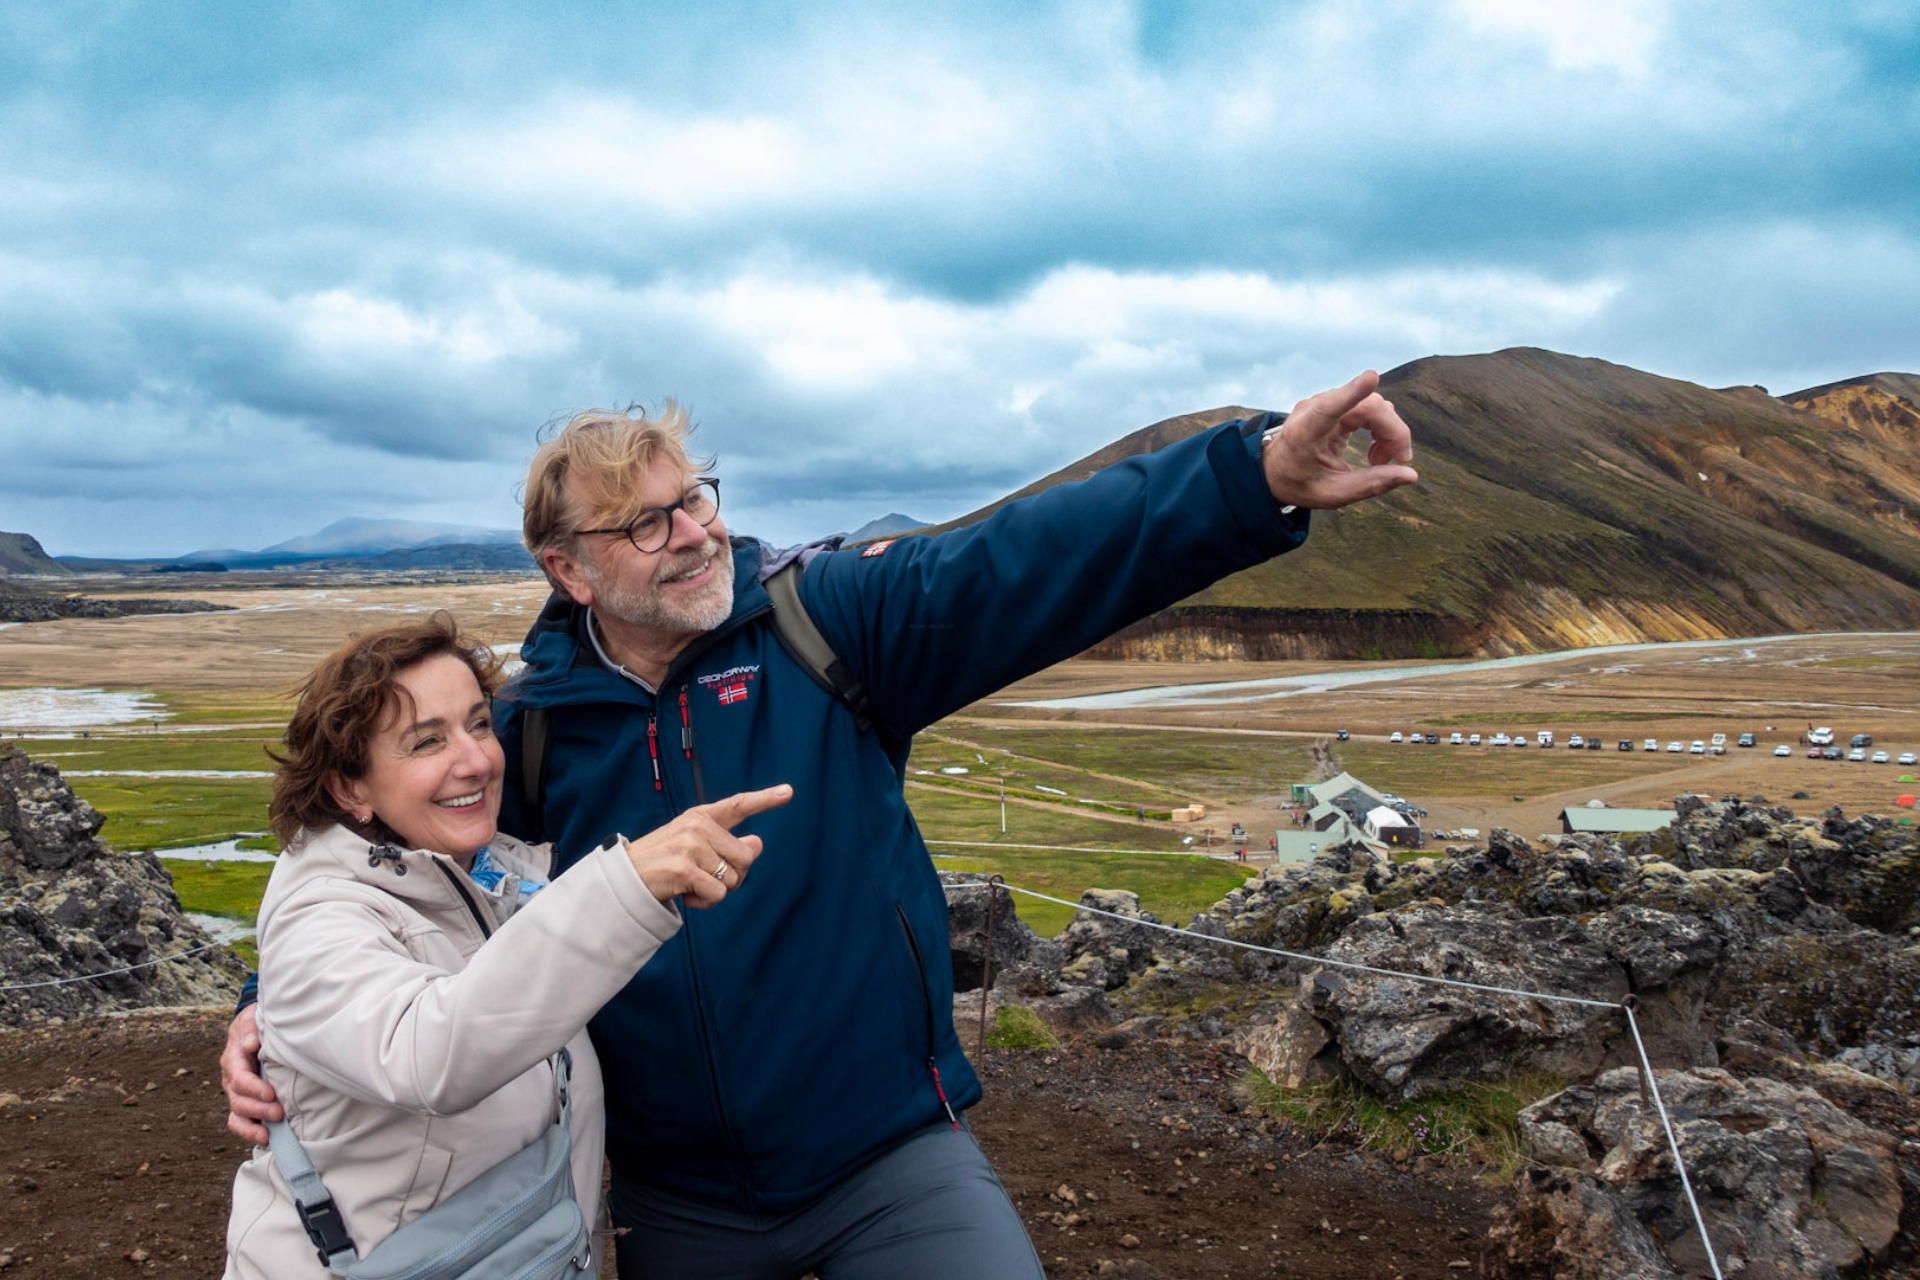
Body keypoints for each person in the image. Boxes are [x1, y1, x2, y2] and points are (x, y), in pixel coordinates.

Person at [226, 370, 1415, 1279]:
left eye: (693, 498)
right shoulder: (531, 732)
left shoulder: (827, 625)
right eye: (644, 524)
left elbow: (1021, 562)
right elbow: (405, 871)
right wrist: (268, 1002)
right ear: (569, 569)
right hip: (665, 1194)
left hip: (885, 1156)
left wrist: (1252, 477)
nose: (692, 532)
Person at [223, 616, 788, 1278]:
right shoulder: (319, 915)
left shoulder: (491, 877)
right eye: (427, 741)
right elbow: (428, 1053)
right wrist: (625, 885)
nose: (477, 760)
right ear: (349, 787)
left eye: (479, 725)